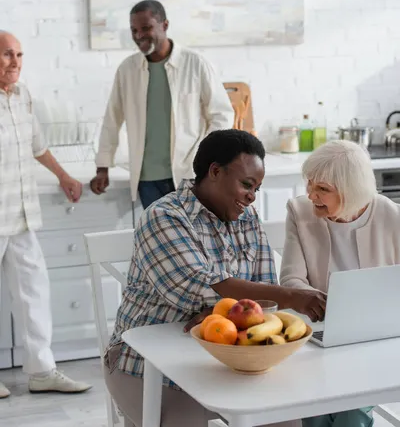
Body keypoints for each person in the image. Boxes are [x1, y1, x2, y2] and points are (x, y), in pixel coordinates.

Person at [103, 129, 326, 427]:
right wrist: (291, 296)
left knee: (285, 421)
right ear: (215, 171)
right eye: (246, 184)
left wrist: (222, 311)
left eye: (257, 189)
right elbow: (196, 287)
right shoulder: (164, 216)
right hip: (146, 364)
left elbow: (263, 306)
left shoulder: (247, 218)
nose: (251, 196)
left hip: (227, 361)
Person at [280, 139, 400, 427]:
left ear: (351, 191)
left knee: (351, 408)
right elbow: (291, 279)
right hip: (318, 328)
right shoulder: (300, 212)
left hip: (374, 335)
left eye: (322, 189)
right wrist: (330, 305)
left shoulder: (390, 215)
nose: (311, 195)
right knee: (316, 404)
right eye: (310, 184)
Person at [0, 31, 91, 398]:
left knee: (34, 291)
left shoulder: (22, 97)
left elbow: (38, 146)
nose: (15, 62)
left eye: (19, 54)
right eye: (7, 54)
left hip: (20, 213)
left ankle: (42, 370)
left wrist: (64, 175)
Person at [90, 0, 234, 211]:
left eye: (146, 28)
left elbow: (222, 114)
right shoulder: (127, 70)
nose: (139, 36)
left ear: (164, 25)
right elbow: (112, 119)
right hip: (147, 180)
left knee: (196, 239)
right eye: (134, 30)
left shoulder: (195, 63)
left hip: (190, 176)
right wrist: (102, 167)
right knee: (163, 242)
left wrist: (206, 157)